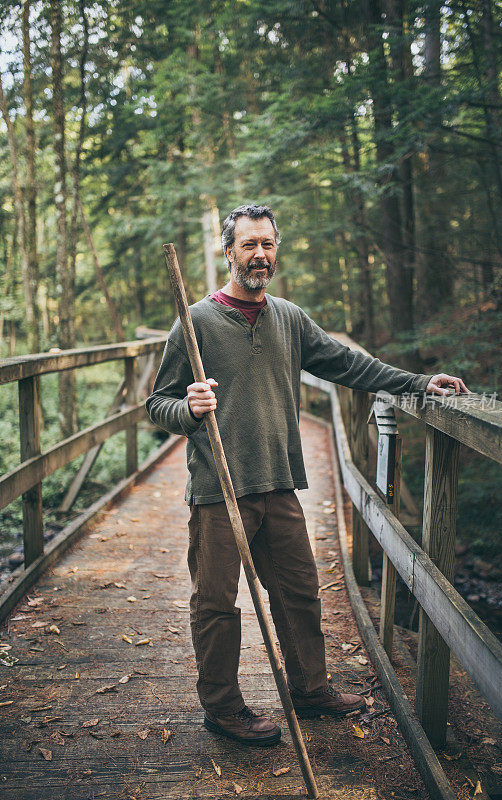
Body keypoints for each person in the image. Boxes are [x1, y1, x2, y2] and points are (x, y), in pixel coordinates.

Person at [145, 204, 470, 746]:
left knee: (299, 591)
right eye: (249, 245)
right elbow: (156, 404)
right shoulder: (196, 322)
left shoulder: (289, 318)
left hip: (279, 483)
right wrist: (189, 407)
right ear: (228, 253)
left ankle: (310, 689)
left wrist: (417, 382)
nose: (260, 255)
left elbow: (350, 365)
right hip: (219, 489)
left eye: (268, 244)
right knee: (215, 603)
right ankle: (223, 708)